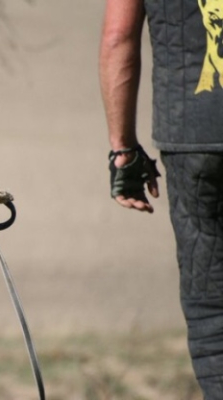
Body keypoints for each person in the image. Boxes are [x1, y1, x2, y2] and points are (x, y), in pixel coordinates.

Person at [100, 0, 223, 398]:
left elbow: (118, 37)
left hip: (193, 137)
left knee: (212, 308)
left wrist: (122, 150)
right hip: (193, 136)